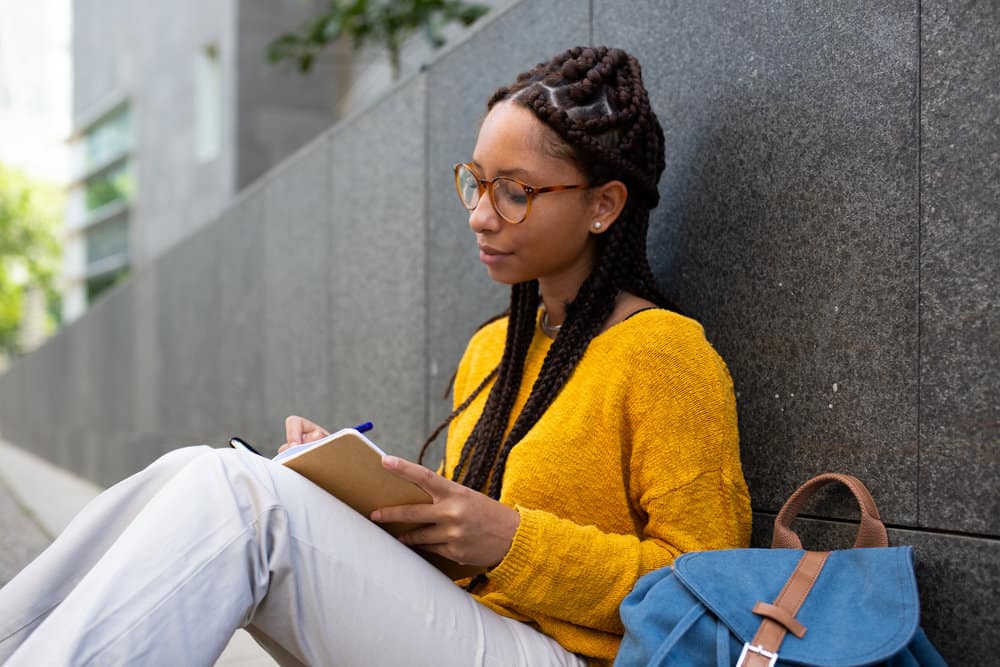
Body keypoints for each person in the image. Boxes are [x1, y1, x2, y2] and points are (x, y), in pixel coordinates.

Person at [0, 46, 750, 666]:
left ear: (604, 204)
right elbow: (464, 548)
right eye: (477, 183)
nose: (481, 215)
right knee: (202, 472)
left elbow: (709, 589)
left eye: (515, 192)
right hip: (476, 626)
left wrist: (510, 539)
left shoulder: (663, 354)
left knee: (244, 505)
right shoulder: (495, 347)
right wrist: (363, 496)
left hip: (576, 657)